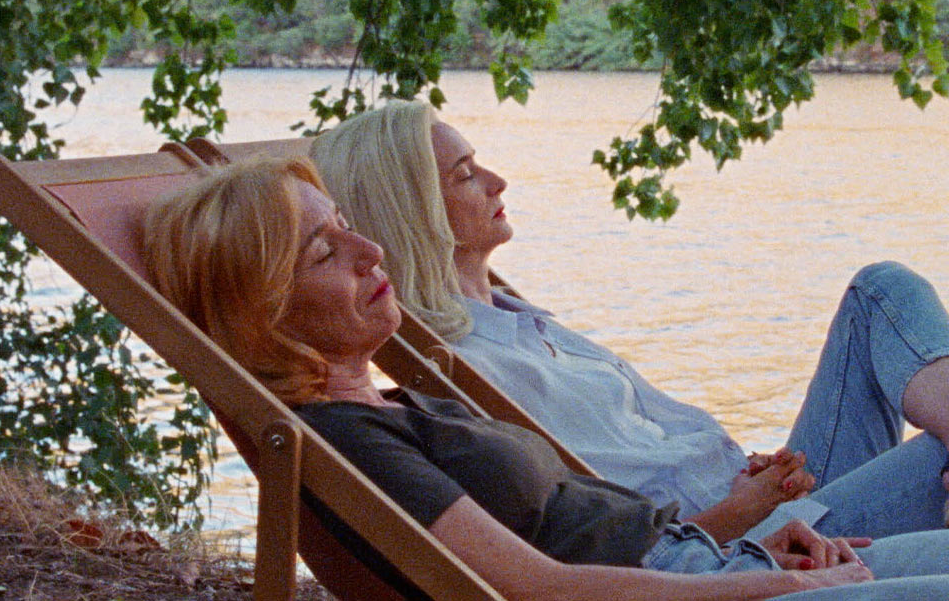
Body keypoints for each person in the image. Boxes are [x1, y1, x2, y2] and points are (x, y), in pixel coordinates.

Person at [142, 154, 949, 601]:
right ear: (266, 316)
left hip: (723, 565)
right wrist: (770, 587)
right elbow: (545, 589)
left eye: (351, 230)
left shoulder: (396, 405)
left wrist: (760, 544)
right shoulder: (346, 442)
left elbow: (597, 541)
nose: (371, 253)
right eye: (327, 255)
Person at [309, 100, 949, 544]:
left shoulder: (519, 321)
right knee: (934, 460)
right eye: (467, 175)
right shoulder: (469, 369)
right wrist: (741, 507)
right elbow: (614, 537)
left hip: (769, 499)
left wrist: (746, 474)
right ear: (415, 211)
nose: (499, 182)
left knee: (880, 292)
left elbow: (645, 449)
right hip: (742, 546)